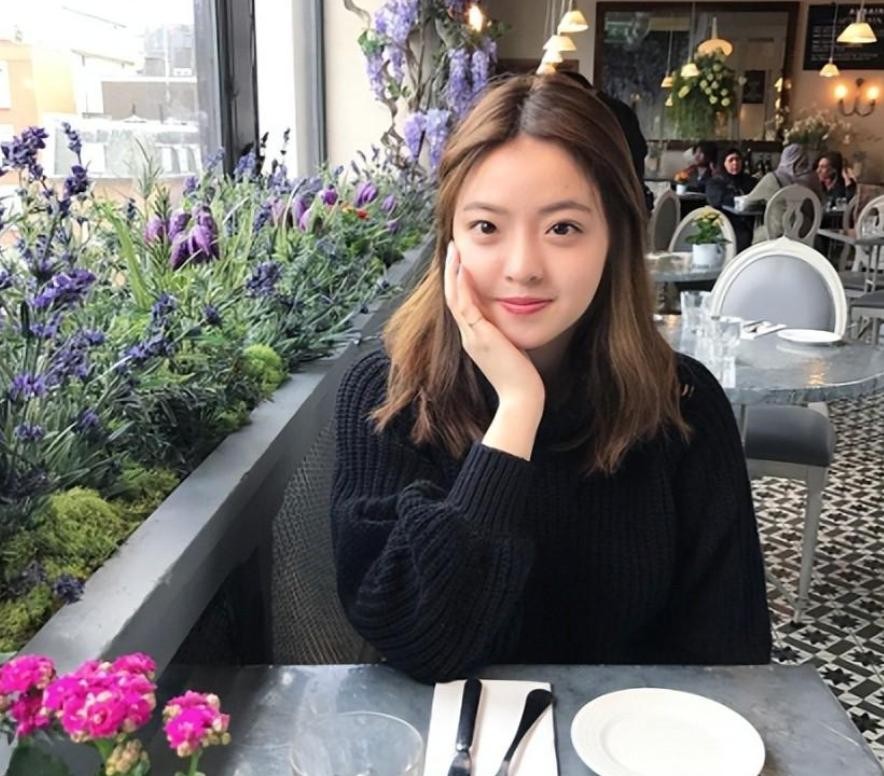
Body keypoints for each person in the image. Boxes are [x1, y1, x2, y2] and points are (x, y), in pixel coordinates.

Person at [330, 73, 771, 683]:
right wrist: (517, 410)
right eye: (487, 227)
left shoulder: (683, 405)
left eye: (563, 228)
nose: (523, 268)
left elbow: (732, 661)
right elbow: (418, 641)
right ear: (450, 241)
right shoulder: (389, 396)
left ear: (614, 238)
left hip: (639, 733)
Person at [560, 70, 654, 213]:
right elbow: (641, 149)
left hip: (612, 198)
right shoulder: (618, 108)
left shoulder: (597, 112)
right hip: (630, 195)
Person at [744, 143, 822, 242]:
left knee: (756, 233)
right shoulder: (813, 178)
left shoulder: (772, 179)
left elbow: (747, 204)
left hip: (777, 233)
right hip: (806, 233)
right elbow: (821, 202)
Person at [706, 147, 758, 253]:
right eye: (731, 160)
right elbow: (718, 200)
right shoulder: (715, 183)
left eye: (737, 159)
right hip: (727, 223)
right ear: (724, 163)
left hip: (751, 222)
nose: (735, 163)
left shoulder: (750, 181)